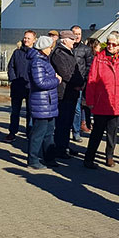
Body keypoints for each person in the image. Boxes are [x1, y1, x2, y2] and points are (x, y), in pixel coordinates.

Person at [83, 33, 119, 169]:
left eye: (113, 44)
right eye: (108, 43)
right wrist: (90, 101)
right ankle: (89, 158)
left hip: (116, 101)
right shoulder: (99, 58)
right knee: (97, 132)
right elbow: (91, 80)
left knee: (112, 133)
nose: (110, 46)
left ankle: (109, 156)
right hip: (101, 100)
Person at [27, 36, 61, 169]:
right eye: (49, 47)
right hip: (41, 103)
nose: (51, 49)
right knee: (38, 133)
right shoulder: (37, 62)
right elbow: (40, 82)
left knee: (48, 132)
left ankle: (49, 158)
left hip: (48, 102)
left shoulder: (44, 60)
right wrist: (57, 80)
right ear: (42, 48)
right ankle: (33, 160)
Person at [50, 30, 84, 158]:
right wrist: (78, 83)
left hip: (71, 92)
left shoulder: (68, 52)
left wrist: (81, 82)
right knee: (62, 123)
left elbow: (75, 71)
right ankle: (60, 149)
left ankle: (65, 145)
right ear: (64, 40)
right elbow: (66, 73)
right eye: (72, 39)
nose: (74, 41)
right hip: (64, 93)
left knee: (68, 122)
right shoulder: (59, 54)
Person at [6, 30, 36, 142]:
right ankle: (12, 132)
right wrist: (14, 79)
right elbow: (11, 67)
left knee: (30, 112)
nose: (26, 40)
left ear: (34, 40)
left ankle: (30, 133)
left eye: (28, 38)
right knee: (15, 111)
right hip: (17, 86)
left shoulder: (35, 54)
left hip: (30, 88)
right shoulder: (17, 52)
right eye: (25, 38)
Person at [71, 25, 94, 141]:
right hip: (66, 84)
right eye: (75, 33)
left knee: (77, 109)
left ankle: (76, 132)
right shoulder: (66, 47)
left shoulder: (86, 49)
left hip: (79, 84)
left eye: (79, 34)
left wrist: (83, 83)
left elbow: (89, 67)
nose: (77, 36)